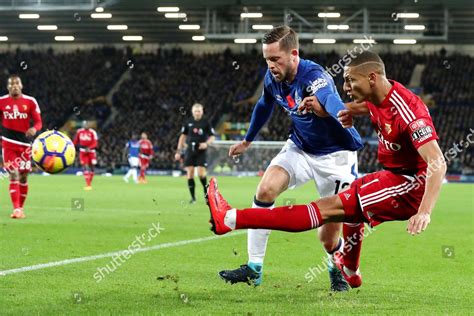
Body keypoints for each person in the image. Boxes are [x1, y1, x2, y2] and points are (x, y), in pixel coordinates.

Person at [206, 50, 446, 289]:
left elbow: (438, 161)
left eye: (351, 80)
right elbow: (368, 107)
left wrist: (424, 212)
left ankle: (230, 218)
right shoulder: (381, 94)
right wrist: (345, 111)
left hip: (410, 185)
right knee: (348, 213)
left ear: (372, 78)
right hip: (392, 173)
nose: (345, 86)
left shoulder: (409, 112)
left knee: (327, 210)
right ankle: (349, 269)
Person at [218, 25, 363, 291]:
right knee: (265, 188)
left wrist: (339, 112)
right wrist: (247, 140)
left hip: (336, 157)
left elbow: (328, 97)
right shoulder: (273, 77)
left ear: (293, 54)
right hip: (300, 147)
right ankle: (254, 268)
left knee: (329, 238)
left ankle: (336, 266)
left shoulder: (314, 75)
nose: (271, 65)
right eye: (267, 59)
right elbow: (264, 105)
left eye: (276, 59)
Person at [0, 75, 42, 219]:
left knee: (24, 178)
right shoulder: (1, 102)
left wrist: (34, 129)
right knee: (14, 174)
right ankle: (16, 209)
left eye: (17, 83)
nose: (14, 86)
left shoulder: (30, 101)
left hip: (25, 145)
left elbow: (38, 122)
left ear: (21, 85)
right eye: (11, 84)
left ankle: (21, 208)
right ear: (8, 87)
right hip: (8, 144)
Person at [175, 103, 215, 204]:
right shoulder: (188, 122)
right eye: (196, 111)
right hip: (190, 151)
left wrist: (206, 144)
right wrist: (178, 151)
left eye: (199, 111)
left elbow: (212, 136)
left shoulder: (206, 122)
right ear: (193, 112)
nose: (197, 113)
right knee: (190, 174)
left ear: (202, 112)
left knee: (201, 174)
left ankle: (206, 195)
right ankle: (193, 198)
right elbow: (182, 137)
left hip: (201, 151)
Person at [73, 120, 98, 190]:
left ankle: (89, 183)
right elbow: (75, 141)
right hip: (83, 151)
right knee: (85, 167)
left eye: (87, 124)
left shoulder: (93, 132)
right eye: (84, 124)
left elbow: (95, 143)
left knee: (92, 167)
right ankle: (88, 185)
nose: (85, 126)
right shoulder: (79, 131)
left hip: (91, 151)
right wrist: (71, 147)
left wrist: (89, 148)